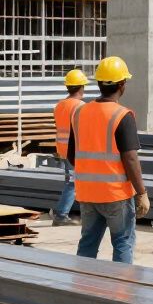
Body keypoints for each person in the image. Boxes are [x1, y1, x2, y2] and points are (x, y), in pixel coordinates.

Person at [67, 56, 150, 263]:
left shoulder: (79, 112)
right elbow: (130, 159)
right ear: (122, 85)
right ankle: (121, 284)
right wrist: (141, 193)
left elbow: (71, 155)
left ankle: (82, 282)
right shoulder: (122, 115)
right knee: (122, 242)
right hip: (115, 195)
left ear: (99, 83)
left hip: (87, 193)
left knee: (88, 243)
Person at [51, 68, 87, 226]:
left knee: (71, 181)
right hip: (75, 151)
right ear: (81, 87)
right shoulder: (81, 106)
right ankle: (61, 215)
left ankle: (63, 213)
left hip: (63, 149)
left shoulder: (59, 105)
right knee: (73, 182)